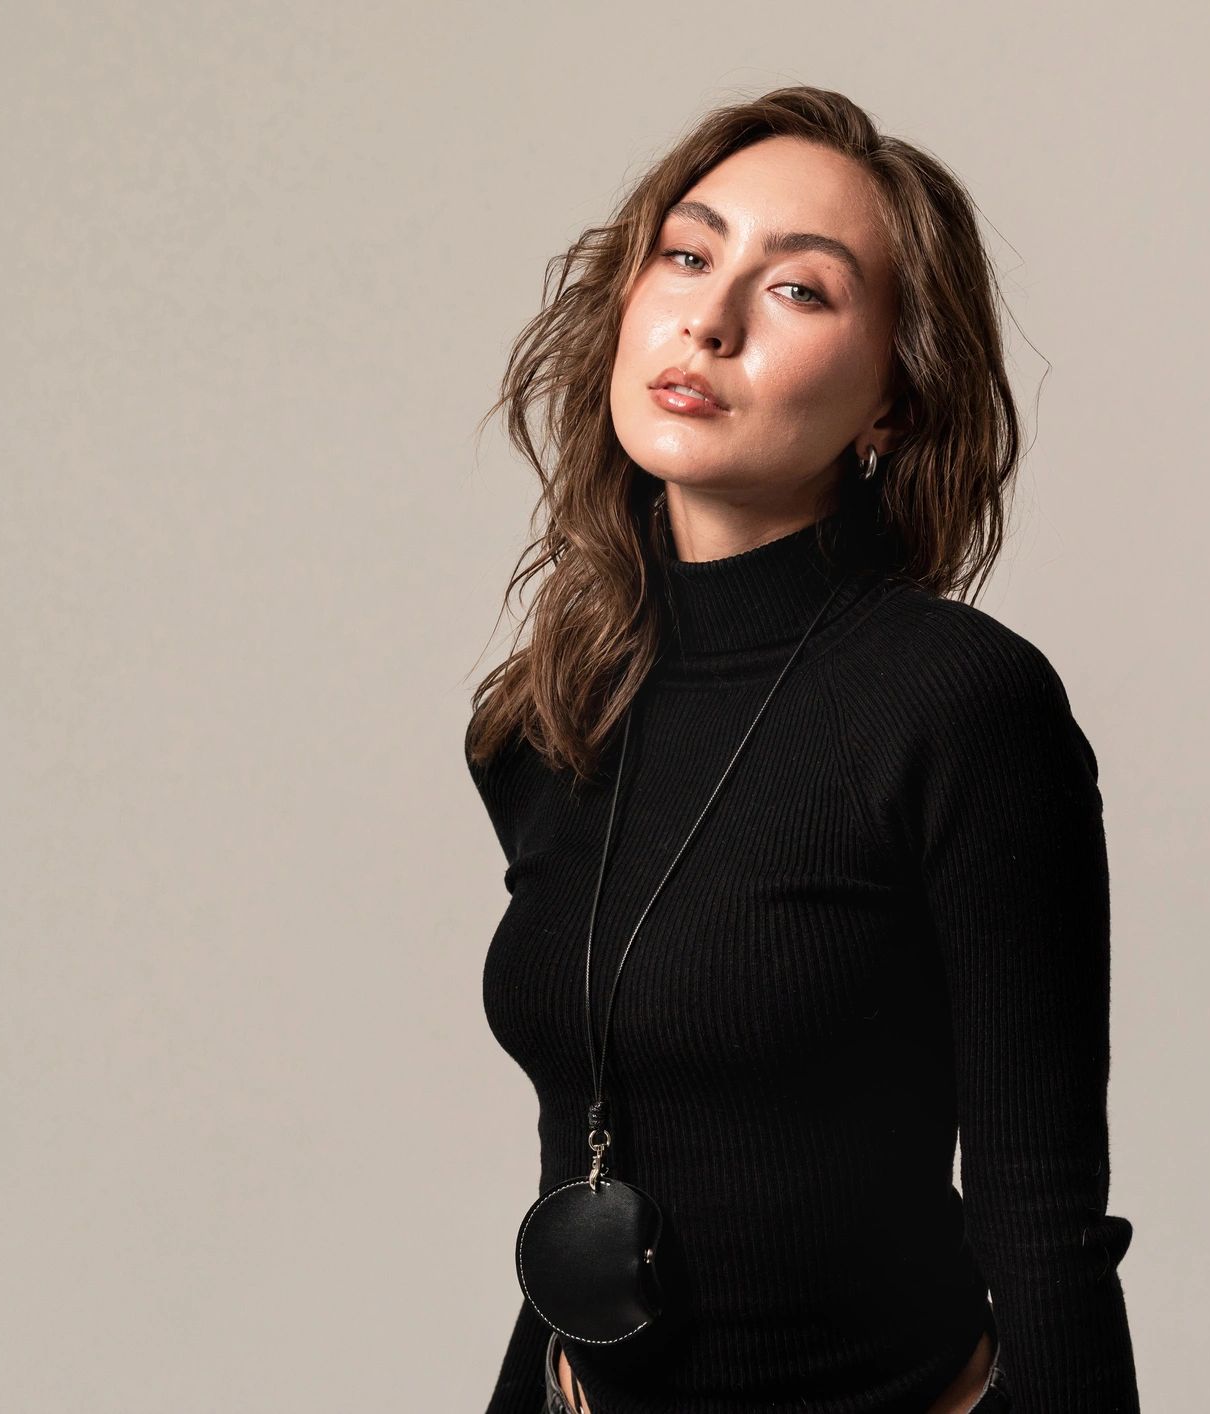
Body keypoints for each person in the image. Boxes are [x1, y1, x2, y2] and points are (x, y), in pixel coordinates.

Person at [466, 85, 1139, 1414]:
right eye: (689, 254)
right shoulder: (545, 720)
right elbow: (596, 1146)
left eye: (801, 292)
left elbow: (1042, 1223)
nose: (707, 319)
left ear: (891, 398)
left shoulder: (958, 707)